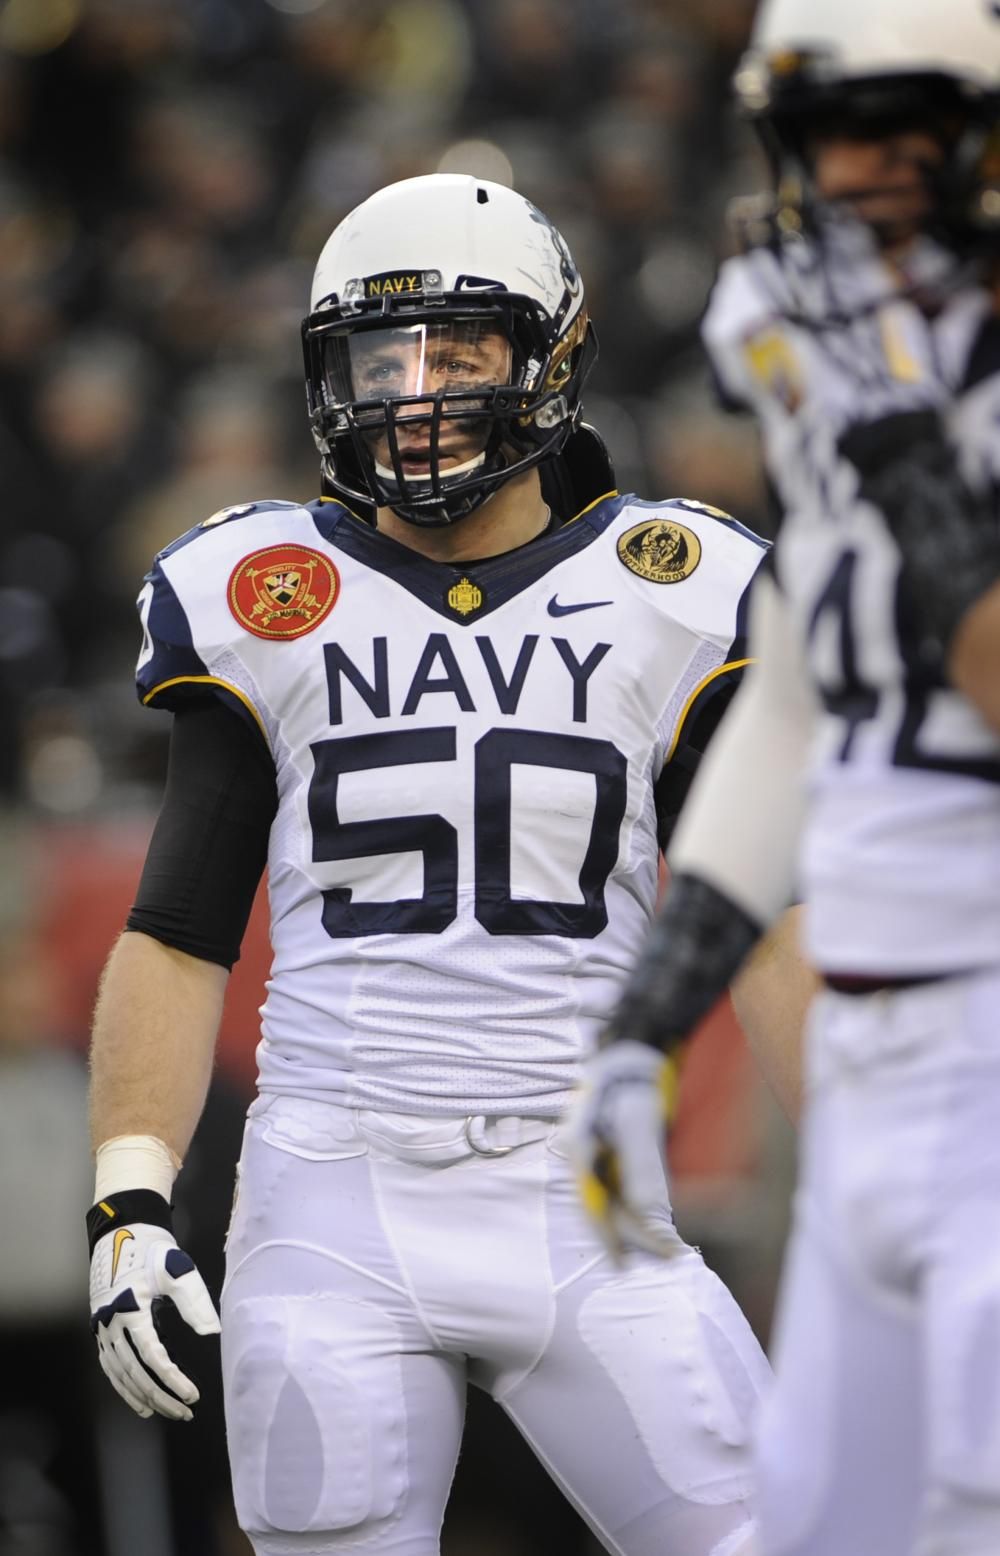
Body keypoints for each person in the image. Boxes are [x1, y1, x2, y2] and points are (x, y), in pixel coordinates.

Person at [85, 172, 795, 1556]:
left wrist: (889, 1189)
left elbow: (766, 923)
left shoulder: (675, 590)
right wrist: (128, 1192)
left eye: (459, 349)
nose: (413, 390)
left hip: (587, 1196)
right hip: (331, 1198)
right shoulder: (266, 594)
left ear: (552, 358)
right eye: (379, 357)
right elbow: (177, 928)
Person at [569, 3, 1000, 1553]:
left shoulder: (905, 385)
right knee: (820, 1526)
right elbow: (798, 702)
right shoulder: (846, 368)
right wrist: (648, 1026)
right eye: (825, 136)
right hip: (883, 1068)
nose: (857, 177)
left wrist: (895, 434)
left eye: (895, 128)